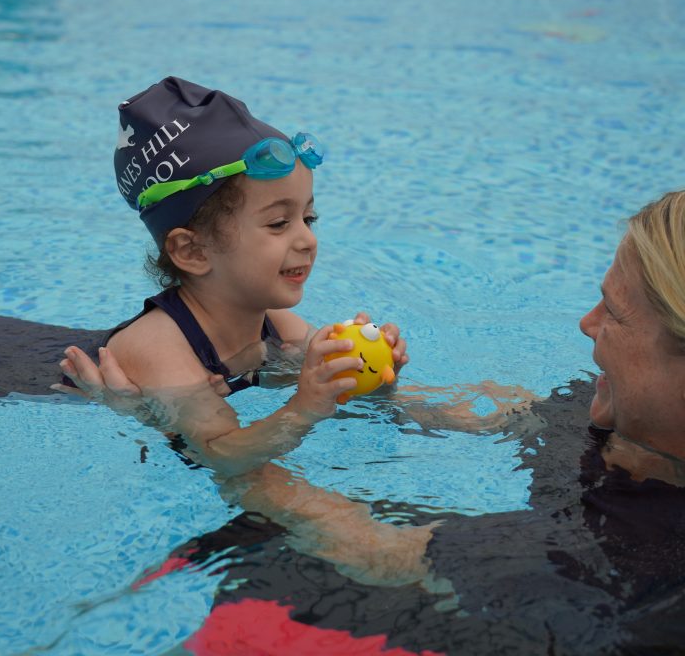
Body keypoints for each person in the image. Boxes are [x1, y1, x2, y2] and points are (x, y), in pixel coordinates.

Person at [0, 76, 436, 586]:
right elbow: (223, 454)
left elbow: (345, 394)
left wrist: (376, 380)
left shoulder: (277, 323)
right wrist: (303, 407)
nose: (306, 240)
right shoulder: (158, 344)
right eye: (279, 224)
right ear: (192, 251)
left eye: (309, 217)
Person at [133, 189, 685, 655]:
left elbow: (374, 552)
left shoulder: (632, 556)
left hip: (524, 623)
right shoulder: (616, 413)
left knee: (259, 568)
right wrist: (378, 393)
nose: (586, 324)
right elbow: (495, 415)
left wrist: (181, 425)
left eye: (614, 311)